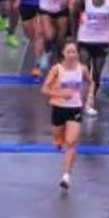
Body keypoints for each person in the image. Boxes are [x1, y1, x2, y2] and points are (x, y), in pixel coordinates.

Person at [40, 42, 86, 191]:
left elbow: (91, 82)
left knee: (71, 142)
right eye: (69, 52)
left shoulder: (82, 68)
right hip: (58, 108)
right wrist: (61, 94)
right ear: (63, 54)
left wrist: (90, 95)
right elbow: (44, 89)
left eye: (74, 52)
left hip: (75, 108)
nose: (72, 55)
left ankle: (66, 176)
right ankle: (58, 140)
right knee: (58, 136)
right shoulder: (57, 69)